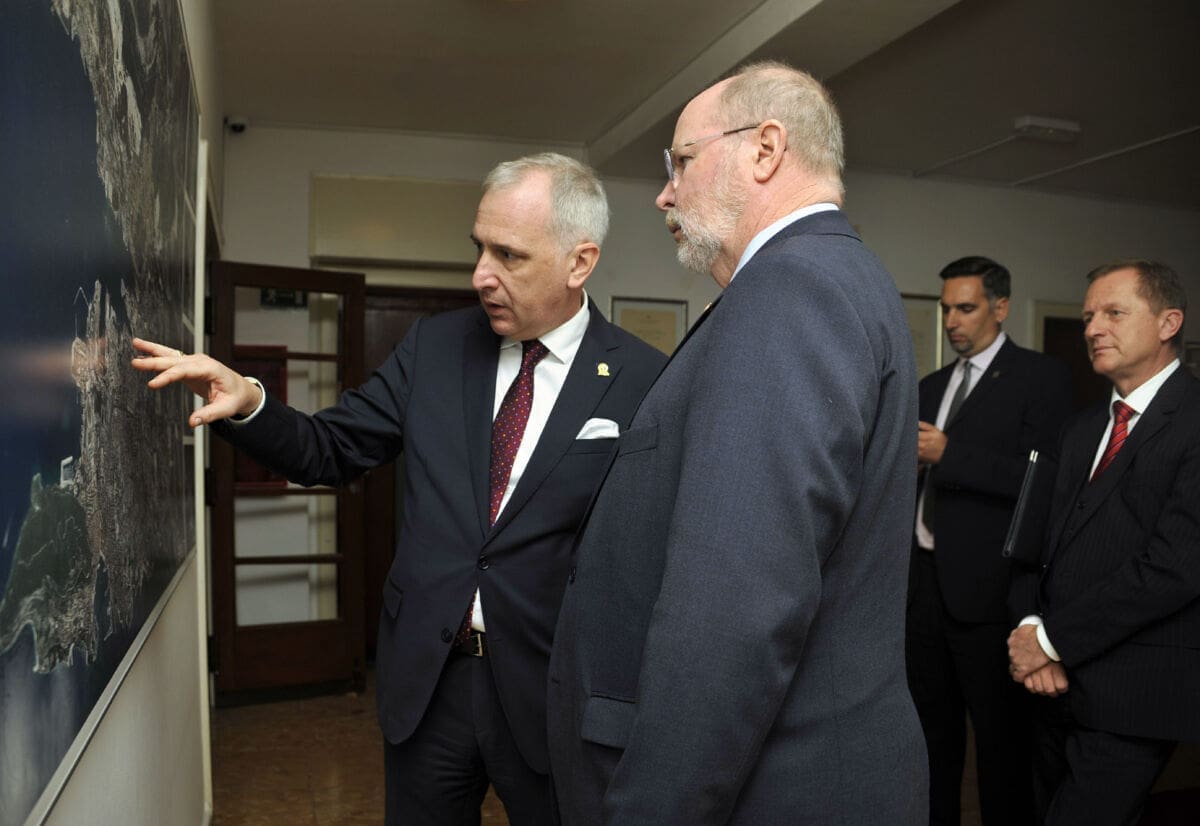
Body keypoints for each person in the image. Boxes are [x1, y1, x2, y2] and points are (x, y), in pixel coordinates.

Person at [133, 153, 666, 826]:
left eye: (509, 255)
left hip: (552, 689)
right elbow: (330, 448)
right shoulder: (435, 347)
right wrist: (250, 402)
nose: (481, 275)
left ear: (579, 263)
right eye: (479, 248)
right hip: (431, 683)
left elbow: (649, 557)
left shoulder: (644, 379)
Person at [545, 61, 927, 825]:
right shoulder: (840, 275)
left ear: (765, 149)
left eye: (681, 162)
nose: (664, 194)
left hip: (780, 788)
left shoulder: (789, 290)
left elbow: (737, 607)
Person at [1007, 259, 1200, 826]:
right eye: (1089, 316)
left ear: (1168, 323)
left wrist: (1053, 641)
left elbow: (1175, 568)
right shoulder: (1082, 426)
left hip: (1134, 694)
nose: (1093, 328)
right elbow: (1035, 544)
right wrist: (1031, 628)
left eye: (1114, 313)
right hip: (1051, 687)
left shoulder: (1194, 422)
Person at [908, 256, 1072, 825]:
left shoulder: (1040, 378)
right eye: (946, 309)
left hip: (989, 594)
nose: (952, 321)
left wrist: (950, 454)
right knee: (932, 740)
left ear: (1000, 308)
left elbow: (1043, 481)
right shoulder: (931, 386)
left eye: (966, 308)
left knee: (1002, 748)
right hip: (923, 587)